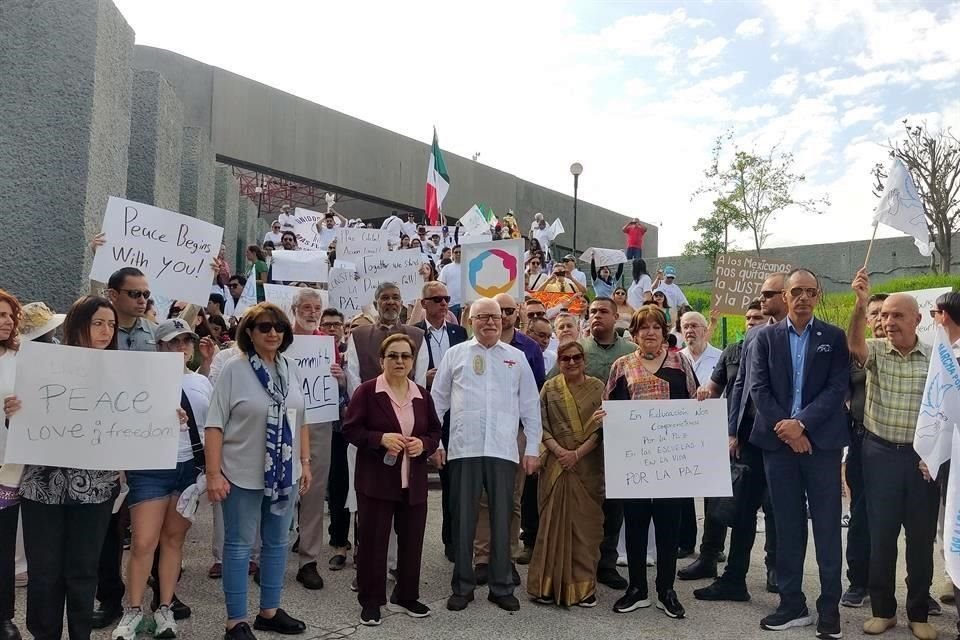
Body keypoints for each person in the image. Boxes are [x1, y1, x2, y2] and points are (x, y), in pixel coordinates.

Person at [11, 298, 155, 640]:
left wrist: (167, 415)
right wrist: (13, 409)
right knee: (45, 572)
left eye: (110, 325)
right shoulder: (44, 365)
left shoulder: (123, 373)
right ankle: (44, 634)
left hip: (95, 489)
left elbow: (139, 416)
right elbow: (24, 413)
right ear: (77, 324)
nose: (106, 331)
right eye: (97, 323)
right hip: (41, 487)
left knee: (82, 571)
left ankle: (80, 633)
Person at [749, 268, 849, 637]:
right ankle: (792, 604)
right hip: (779, 446)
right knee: (788, 527)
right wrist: (789, 432)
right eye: (796, 291)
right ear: (786, 297)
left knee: (826, 529)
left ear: (818, 295)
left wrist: (802, 424)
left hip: (821, 446)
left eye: (810, 291)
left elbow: (838, 388)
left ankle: (829, 609)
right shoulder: (765, 338)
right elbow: (759, 389)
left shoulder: (833, 338)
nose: (803, 297)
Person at [204, 302, 312, 639]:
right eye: (264, 326)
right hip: (239, 474)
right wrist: (213, 474)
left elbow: (300, 418)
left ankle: (269, 610)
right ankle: (235, 621)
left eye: (279, 327)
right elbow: (214, 424)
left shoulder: (290, 367)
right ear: (249, 332)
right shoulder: (234, 370)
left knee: (278, 543)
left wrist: (305, 463)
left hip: (284, 475)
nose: (273, 333)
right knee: (237, 546)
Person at [432, 298, 542, 613]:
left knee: (502, 520)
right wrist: (436, 443)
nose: (490, 322)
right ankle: (463, 587)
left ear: (504, 320)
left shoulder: (516, 357)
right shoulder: (455, 355)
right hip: (464, 449)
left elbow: (530, 407)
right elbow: (437, 402)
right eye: (482, 317)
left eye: (494, 317)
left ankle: (501, 586)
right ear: (471, 320)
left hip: (503, 450)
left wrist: (532, 448)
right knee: (464, 520)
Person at [848, 268, 938, 640]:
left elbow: (948, 411)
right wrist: (859, 305)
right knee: (881, 536)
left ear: (917, 320)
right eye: (883, 315)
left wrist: (935, 453)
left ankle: (918, 613)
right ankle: (883, 611)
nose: (888, 322)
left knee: (919, 540)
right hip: (879, 455)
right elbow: (854, 344)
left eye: (897, 315)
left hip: (921, 463)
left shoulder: (937, 360)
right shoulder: (876, 353)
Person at [113, 319, 212, 640]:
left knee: (173, 541)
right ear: (159, 346)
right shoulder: (140, 381)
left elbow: (212, 428)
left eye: (186, 341)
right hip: (150, 467)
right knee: (143, 543)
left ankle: (165, 608)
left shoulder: (202, 383)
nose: (181, 347)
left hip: (188, 470)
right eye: (173, 342)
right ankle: (133, 611)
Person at [695, 274, 788, 604]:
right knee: (742, 510)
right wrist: (734, 431)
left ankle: (781, 574)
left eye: (769, 294)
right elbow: (740, 388)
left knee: (778, 509)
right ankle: (734, 579)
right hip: (750, 439)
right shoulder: (752, 339)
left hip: (785, 439)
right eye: (760, 295)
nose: (762, 301)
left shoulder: (803, 337)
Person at [342, 334, 442, 626]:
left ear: (412, 361)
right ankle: (371, 600)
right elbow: (350, 430)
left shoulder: (422, 395)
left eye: (405, 356)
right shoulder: (367, 391)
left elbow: (435, 432)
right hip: (376, 482)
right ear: (382, 359)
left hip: (413, 482)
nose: (400, 361)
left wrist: (423, 444)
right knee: (374, 542)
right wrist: (380, 438)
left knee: (412, 541)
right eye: (393, 356)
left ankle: (406, 595)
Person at [606, 305, 697, 619]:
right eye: (643, 327)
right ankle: (637, 589)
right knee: (635, 525)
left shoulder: (680, 362)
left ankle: (666, 590)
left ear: (664, 331)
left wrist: (703, 403)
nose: (649, 332)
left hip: (670, 463)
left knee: (669, 526)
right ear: (634, 333)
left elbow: (694, 404)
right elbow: (611, 409)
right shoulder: (621, 366)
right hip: (634, 463)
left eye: (655, 327)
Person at [680, 300, 765, 582]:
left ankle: (773, 568)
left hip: (766, 442)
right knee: (717, 500)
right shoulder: (732, 352)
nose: (752, 322)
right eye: (749, 317)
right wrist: (704, 393)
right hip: (730, 440)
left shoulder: (778, 349)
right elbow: (714, 388)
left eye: (759, 317)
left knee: (764, 508)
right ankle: (708, 558)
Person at [527, 341, 605, 607]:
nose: (572, 362)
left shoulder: (597, 388)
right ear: (558, 362)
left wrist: (577, 454)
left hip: (587, 468)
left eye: (577, 358)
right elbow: (540, 424)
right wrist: (560, 451)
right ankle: (546, 586)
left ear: (584, 360)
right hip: (556, 468)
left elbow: (601, 429)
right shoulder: (550, 388)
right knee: (550, 527)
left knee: (585, 529)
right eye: (565, 358)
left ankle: (584, 588)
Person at [473, 293, 545, 574]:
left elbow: (533, 397)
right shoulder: (470, 349)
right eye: (495, 311)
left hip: (514, 432)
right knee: (482, 497)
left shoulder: (528, 349)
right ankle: (482, 556)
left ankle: (508, 556)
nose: (500, 316)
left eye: (507, 310)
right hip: (480, 432)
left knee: (512, 499)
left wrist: (532, 444)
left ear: (517, 314)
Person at [412, 282, 468, 561]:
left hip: (452, 417)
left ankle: (452, 541)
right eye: (437, 299)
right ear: (424, 304)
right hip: (419, 416)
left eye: (446, 298)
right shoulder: (413, 334)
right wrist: (425, 377)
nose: (444, 303)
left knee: (453, 484)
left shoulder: (460, 333)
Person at [291, 289, 341, 590]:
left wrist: (340, 376)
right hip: (283, 422)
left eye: (317, 308)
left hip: (318, 423)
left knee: (313, 492)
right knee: (277, 492)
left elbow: (335, 384)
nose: (312, 312)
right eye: (306, 307)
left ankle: (308, 561)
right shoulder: (280, 337)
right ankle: (266, 555)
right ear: (294, 309)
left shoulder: (327, 343)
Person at [841, 292, 887, 609]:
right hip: (862, 440)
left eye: (889, 313)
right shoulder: (857, 354)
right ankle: (859, 582)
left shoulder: (918, 355)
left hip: (904, 444)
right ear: (868, 320)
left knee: (910, 518)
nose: (883, 319)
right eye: (876, 314)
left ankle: (918, 590)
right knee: (861, 514)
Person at [319, 309, 352, 573]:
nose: (332, 329)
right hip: (325, 430)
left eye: (336, 324)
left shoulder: (352, 352)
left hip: (350, 429)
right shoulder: (312, 351)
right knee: (337, 487)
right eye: (327, 324)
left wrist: (343, 382)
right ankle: (339, 544)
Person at [0, 291, 21, 640]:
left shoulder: (23, 357)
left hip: (8, 467)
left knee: (3, 545)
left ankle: (4, 616)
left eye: (8, 315)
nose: (5, 320)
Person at [438, 246, 463, 319]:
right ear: (452, 254)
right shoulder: (447, 268)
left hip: (465, 304)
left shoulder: (469, 266)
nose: (458, 254)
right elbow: (442, 285)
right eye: (456, 252)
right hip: (451, 303)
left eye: (460, 252)